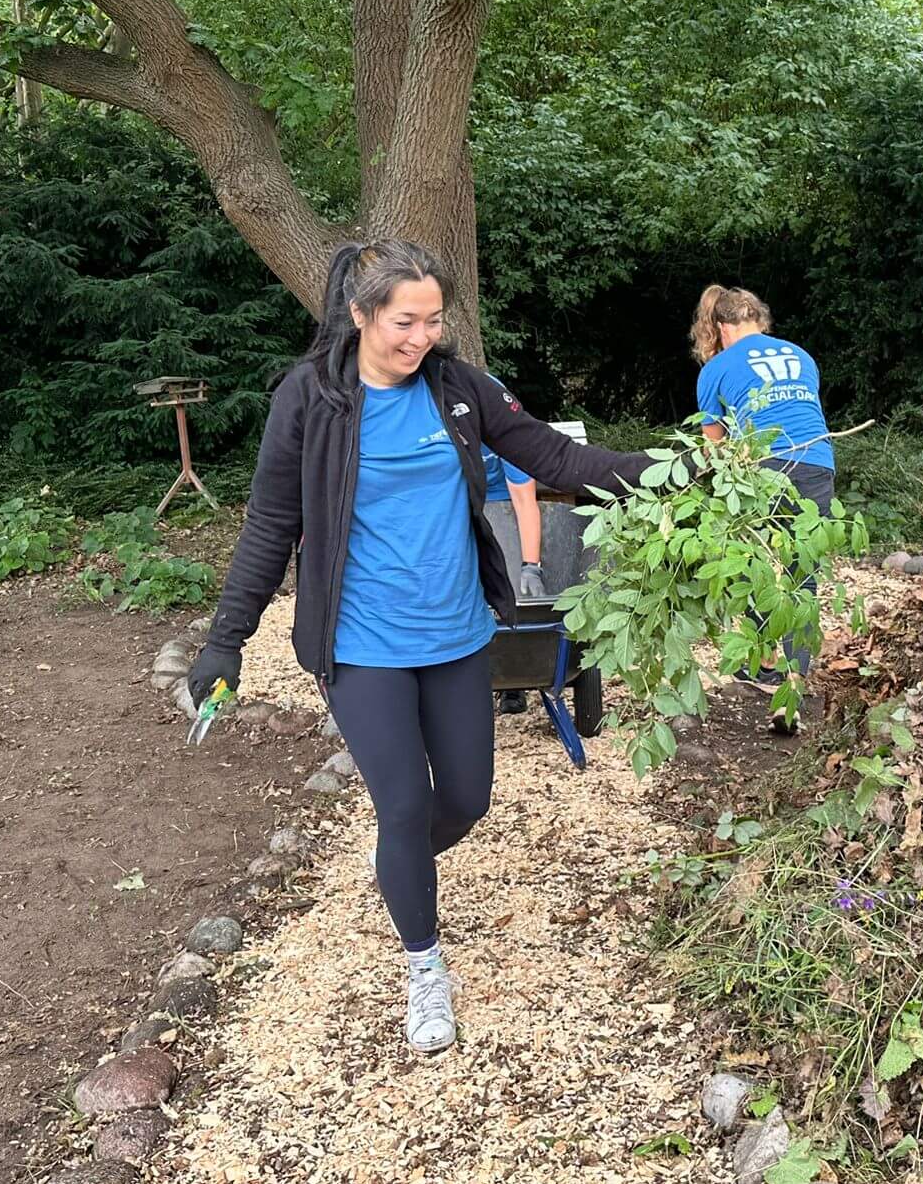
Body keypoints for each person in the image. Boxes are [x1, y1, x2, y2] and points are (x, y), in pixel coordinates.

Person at [184, 241, 654, 1055]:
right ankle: (424, 964)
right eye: (406, 321)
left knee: (465, 801)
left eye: (434, 321)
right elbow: (270, 524)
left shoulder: (459, 389)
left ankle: (398, 863)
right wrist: (227, 640)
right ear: (362, 314)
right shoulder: (312, 397)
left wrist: (668, 472)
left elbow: (555, 456)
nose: (422, 337)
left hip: (457, 634)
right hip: (362, 642)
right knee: (403, 804)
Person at [690, 285, 835, 732]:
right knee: (802, 576)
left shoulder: (716, 368)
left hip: (763, 470)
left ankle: (761, 657)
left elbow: (714, 450)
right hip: (817, 463)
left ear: (721, 327)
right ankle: (791, 693)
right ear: (760, 321)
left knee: (749, 560)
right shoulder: (802, 356)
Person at [481, 439, 545, 715]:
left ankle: (511, 674)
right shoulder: (437, 424)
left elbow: (524, 500)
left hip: (502, 501)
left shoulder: (501, 424)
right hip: (454, 498)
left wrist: (531, 566)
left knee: (507, 576)